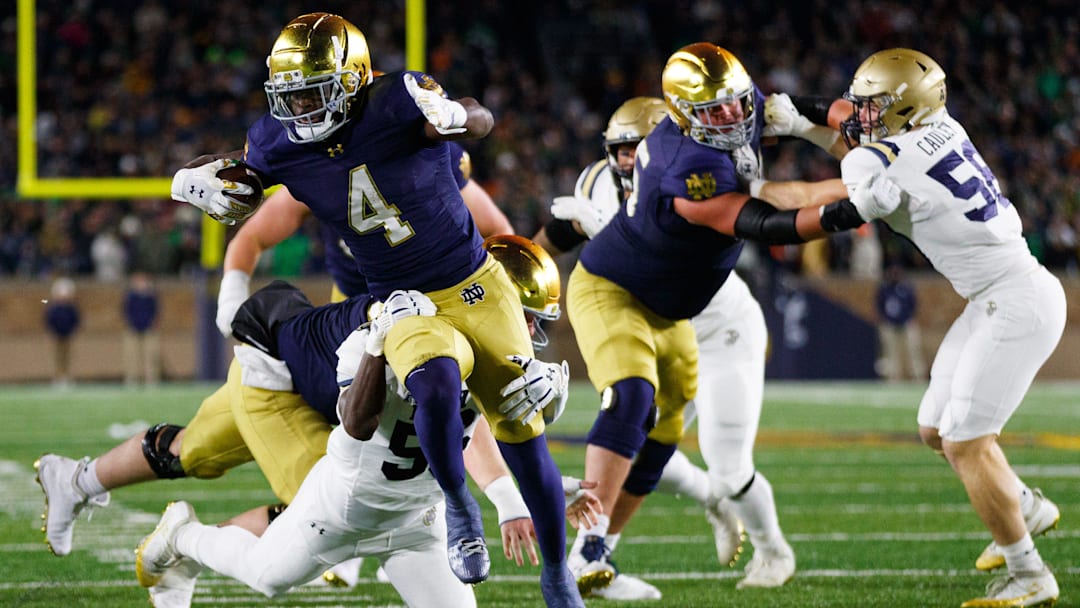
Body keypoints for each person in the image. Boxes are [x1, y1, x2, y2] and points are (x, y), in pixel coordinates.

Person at [170, 14, 582, 605]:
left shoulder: (396, 100)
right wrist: (202, 174)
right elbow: (245, 167)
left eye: (315, 92)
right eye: (292, 97)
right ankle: (460, 508)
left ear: (354, 78)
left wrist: (461, 117)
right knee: (435, 383)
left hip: (475, 285)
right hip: (399, 300)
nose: (303, 109)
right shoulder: (280, 139)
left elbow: (478, 117)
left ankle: (556, 572)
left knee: (522, 424)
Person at [563, 42, 899, 595]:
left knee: (668, 434)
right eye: (716, 112)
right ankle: (583, 546)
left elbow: (799, 107)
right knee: (631, 396)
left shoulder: (730, 105)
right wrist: (853, 207)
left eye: (736, 104)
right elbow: (771, 224)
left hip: (680, 309)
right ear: (680, 115)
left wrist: (858, 125)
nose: (735, 118)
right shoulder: (686, 166)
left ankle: (600, 553)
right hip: (616, 291)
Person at [130, 236, 585, 608]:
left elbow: (478, 434)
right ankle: (183, 535)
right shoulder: (392, 327)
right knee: (265, 577)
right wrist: (376, 349)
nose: (528, 334)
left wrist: (536, 485)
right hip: (342, 506)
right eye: (525, 318)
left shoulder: (496, 360)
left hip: (416, 522)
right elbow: (355, 421)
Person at [769, 47, 1064, 607]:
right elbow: (861, 138)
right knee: (935, 430)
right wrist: (802, 122)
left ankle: (1030, 573)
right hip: (998, 295)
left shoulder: (876, 159)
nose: (861, 112)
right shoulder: (945, 125)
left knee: (966, 442)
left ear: (905, 107)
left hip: (1016, 301)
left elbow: (849, 161)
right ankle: (1023, 504)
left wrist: (798, 128)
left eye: (875, 103)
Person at [535, 96, 795, 598]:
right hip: (655, 321)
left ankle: (773, 549)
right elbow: (553, 238)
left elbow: (663, 243)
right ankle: (598, 550)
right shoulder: (596, 184)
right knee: (633, 427)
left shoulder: (701, 176)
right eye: (622, 148)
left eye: (640, 146)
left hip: (720, 330)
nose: (630, 159)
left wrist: (607, 230)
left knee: (728, 467)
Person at [215, 141, 513, 339]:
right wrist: (231, 294)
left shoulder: (428, 153)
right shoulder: (323, 169)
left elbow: (499, 232)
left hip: (435, 297)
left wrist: (492, 296)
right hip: (356, 304)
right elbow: (251, 238)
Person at [874, 264, 926, 382]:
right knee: (891, 353)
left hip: (906, 323)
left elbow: (914, 306)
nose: (894, 276)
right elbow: (879, 306)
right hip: (889, 325)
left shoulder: (907, 289)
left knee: (913, 351)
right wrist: (885, 320)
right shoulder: (884, 289)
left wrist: (907, 318)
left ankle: (917, 377)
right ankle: (893, 378)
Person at [122, 271, 162, 386]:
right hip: (133, 329)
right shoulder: (130, 296)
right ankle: (132, 378)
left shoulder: (151, 296)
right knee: (131, 355)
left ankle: (151, 378)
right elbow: (126, 312)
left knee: (151, 355)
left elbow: (156, 312)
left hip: (149, 329)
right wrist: (130, 324)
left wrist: (153, 324)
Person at [43, 276, 80, 389]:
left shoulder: (71, 308)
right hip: (56, 336)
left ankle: (66, 377)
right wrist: (54, 332)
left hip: (67, 335)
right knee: (56, 357)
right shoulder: (53, 308)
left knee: (67, 357)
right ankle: (57, 377)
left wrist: (71, 331)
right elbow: (49, 321)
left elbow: (76, 320)